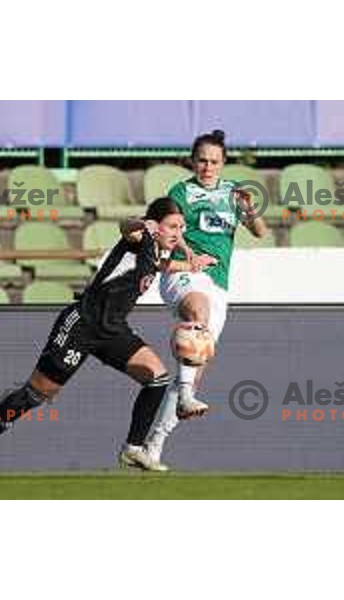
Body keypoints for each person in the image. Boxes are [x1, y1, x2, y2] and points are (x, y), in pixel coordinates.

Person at [0, 196, 216, 474]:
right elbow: (125, 227)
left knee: (157, 378)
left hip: (113, 330)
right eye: (172, 227)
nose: (178, 234)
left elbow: (160, 265)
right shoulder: (139, 238)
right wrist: (142, 223)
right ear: (155, 225)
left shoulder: (157, 251)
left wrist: (191, 264)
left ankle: (133, 449)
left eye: (181, 228)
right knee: (36, 394)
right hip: (82, 324)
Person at [142, 130, 269, 469]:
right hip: (185, 273)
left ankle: (153, 444)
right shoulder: (181, 192)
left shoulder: (233, 192)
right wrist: (189, 256)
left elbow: (260, 232)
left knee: (195, 363)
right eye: (202, 160)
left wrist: (249, 209)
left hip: (219, 283)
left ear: (223, 162)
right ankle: (185, 396)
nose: (208, 166)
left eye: (214, 161)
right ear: (192, 161)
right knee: (196, 311)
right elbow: (166, 234)